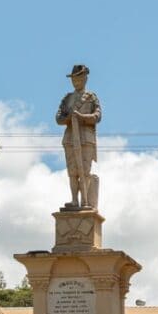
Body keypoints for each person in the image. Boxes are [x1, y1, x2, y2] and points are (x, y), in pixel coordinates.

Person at [55, 64, 101, 209]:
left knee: (85, 172)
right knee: (72, 172)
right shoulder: (67, 98)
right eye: (74, 78)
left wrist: (82, 117)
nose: (76, 81)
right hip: (70, 138)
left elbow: (97, 116)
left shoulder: (91, 97)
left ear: (85, 78)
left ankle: (85, 201)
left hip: (86, 138)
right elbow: (58, 118)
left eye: (79, 78)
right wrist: (68, 118)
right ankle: (75, 200)